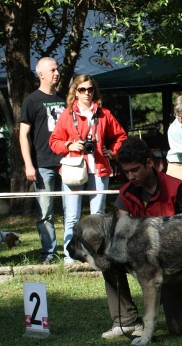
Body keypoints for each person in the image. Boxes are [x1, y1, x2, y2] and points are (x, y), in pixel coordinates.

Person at [100, 137, 182, 339]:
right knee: (107, 260)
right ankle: (126, 320)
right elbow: (120, 233)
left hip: (174, 263)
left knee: (177, 327)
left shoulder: (176, 189)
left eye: (135, 170)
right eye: (126, 171)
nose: (130, 176)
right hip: (141, 259)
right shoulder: (125, 194)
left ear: (149, 163)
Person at [49, 74, 128, 265]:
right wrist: (69, 146)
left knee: (98, 215)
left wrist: (113, 152)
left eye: (90, 89)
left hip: (99, 168)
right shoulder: (67, 115)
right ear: (75, 92)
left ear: (95, 91)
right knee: (72, 215)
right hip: (74, 169)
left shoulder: (104, 114)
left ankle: (98, 255)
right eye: (82, 90)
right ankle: (70, 257)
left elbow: (121, 136)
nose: (86, 93)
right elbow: (54, 141)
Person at [19, 57, 66, 264]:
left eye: (57, 69)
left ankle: (71, 254)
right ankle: (48, 253)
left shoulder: (65, 99)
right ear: (41, 74)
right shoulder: (31, 101)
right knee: (45, 212)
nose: (57, 73)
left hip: (68, 162)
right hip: (43, 164)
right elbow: (23, 135)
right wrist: (29, 165)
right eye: (52, 70)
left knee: (70, 211)